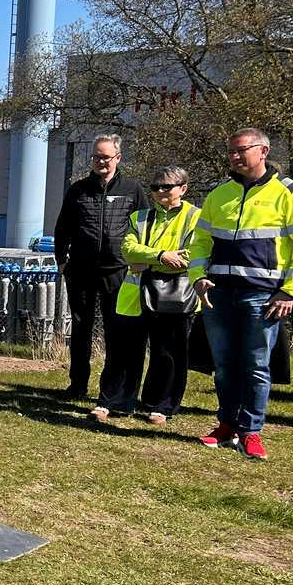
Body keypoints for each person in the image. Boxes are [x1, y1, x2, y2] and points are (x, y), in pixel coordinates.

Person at [186, 128, 293, 460]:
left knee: (257, 365)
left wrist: (290, 292)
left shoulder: (288, 194)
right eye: (230, 151)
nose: (234, 156)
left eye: (240, 150)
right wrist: (198, 277)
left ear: (263, 151)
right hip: (218, 294)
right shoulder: (219, 194)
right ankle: (226, 425)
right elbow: (200, 243)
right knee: (224, 366)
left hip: (262, 296)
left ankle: (251, 432)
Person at [98, 165, 200, 424]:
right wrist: (161, 256)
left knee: (168, 353)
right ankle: (114, 400)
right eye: (155, 187)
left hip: (175, 296)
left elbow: (193, 255)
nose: (160, 191)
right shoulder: (139, 218)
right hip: (135, 295)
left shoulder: (196, 217)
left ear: (183, 189)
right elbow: (128, 251)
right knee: (123, 352)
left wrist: (148, 261)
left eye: (167, 186)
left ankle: (160, 405)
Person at [52, 134, 149, 403]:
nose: (100, 162)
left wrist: (141, 260)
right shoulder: (78, 190)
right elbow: (63, 227)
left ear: (118, 158)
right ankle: (77, 385)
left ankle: (111, 390)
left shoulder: (132, 189)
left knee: (116, 330)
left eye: (105, 157)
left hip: (118, 270)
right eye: (95, 157)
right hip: (81, 269)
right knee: (80, 328)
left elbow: (144, 226)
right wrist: (61, 259)